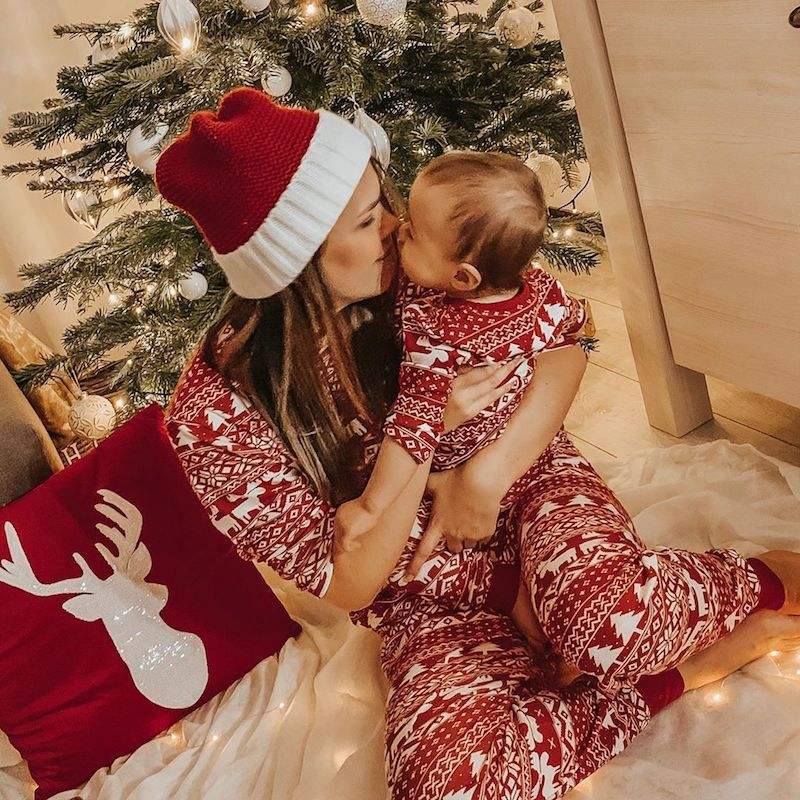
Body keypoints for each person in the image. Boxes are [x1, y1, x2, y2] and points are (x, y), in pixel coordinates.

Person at [156, 87, 800, 799]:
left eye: (383, 203)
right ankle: (681, 674)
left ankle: (764, 578)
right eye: (369, 220)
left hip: (531, 489)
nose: (394, 227)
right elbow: (350, 581)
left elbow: (566, 344)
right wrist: (430, 439)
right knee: (448, 784)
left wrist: (487, 476)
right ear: (297, 260)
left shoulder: (426, 263)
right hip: (424, 598)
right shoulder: (213, 415)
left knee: (611, 623)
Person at [333, 150, 593, 556]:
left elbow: (413, 427)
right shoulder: (544, 292)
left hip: (462, 462)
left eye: (414, 233)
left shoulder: (437, 335)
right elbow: (575, 321)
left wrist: (370, 506)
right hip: (502, 454)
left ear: (462, 277)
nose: (398, 229)